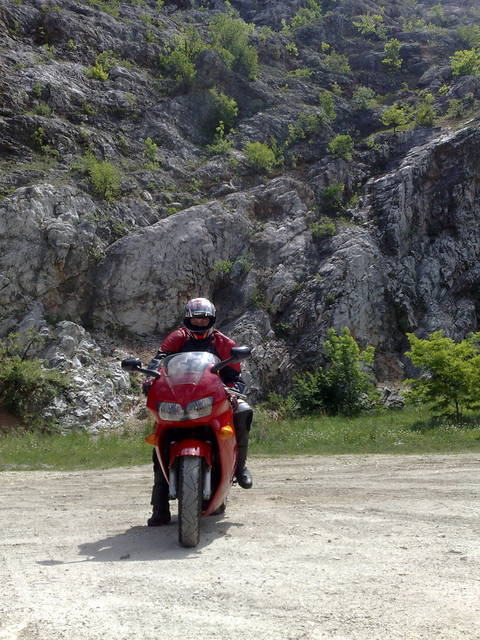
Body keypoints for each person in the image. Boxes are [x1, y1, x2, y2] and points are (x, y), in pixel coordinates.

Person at [146, 297, 253, 526]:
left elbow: (235, 376)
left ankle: (240, 467)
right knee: (159, 439)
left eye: (204, 319)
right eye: (196, 319)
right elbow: (160, 361)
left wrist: (234, 390)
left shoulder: (223, 342)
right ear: (188, 320)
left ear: (212, 320)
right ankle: (160, 508)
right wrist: (150, 379)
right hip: (179, 398)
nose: (200, 323)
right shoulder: (177, 338)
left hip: (213, 397)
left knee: (244, 410)